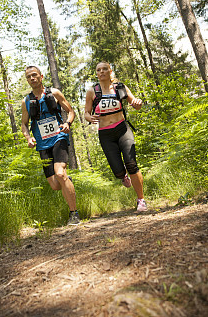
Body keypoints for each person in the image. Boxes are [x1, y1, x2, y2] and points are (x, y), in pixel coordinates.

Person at [84, 61, 147, 212]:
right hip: (105, 134)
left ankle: (141, 200)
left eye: (105, 69)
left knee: (131, 163)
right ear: (97, 73)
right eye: (99, 70)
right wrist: (89, 118)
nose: (102, 72)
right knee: (118, 171)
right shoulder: (93, 92)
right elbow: (86, 112)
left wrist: (137, 103)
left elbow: (134, 103)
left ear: (110, 71)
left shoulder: (120, 87)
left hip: (122, 129)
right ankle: (123, 176)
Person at [21, 66, 80, 225]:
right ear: (27, 80)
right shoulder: (26, 101)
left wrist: (67, 123)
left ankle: (74, 214)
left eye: (34, 75)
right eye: (28, 77)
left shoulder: (54, 93)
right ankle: (68, 181)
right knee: (55, 185)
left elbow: (71, 111)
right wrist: (28, 138)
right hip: (42, 144)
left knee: (60, 173)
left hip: (58, 138)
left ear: (41, 76)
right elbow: (24, 124)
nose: (32, 78)